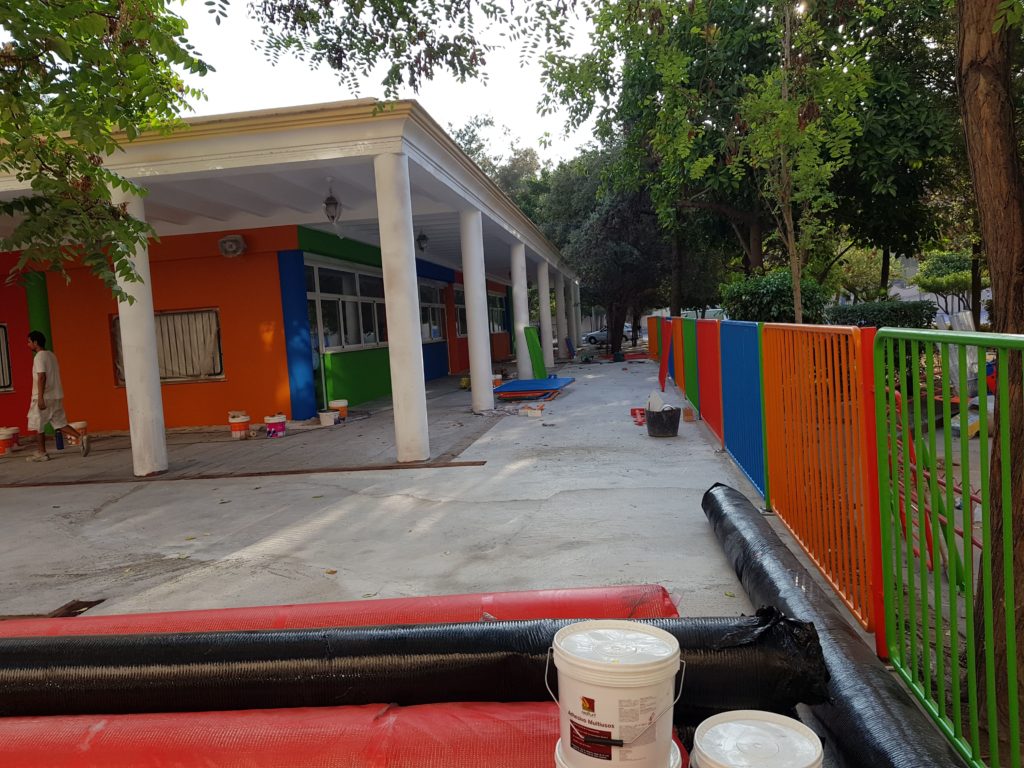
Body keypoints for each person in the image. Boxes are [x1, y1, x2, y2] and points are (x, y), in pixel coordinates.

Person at [25, 330, 90, 461]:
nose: (28, 344)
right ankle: (80, 437)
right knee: (60, 423)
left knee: (38, 425)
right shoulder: (51, 355)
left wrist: (40, 397)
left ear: (35, 342)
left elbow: (41, 376)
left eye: (29, 342)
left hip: (44, 396)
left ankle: (41, 453)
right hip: (56, 395)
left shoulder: (39, 357)